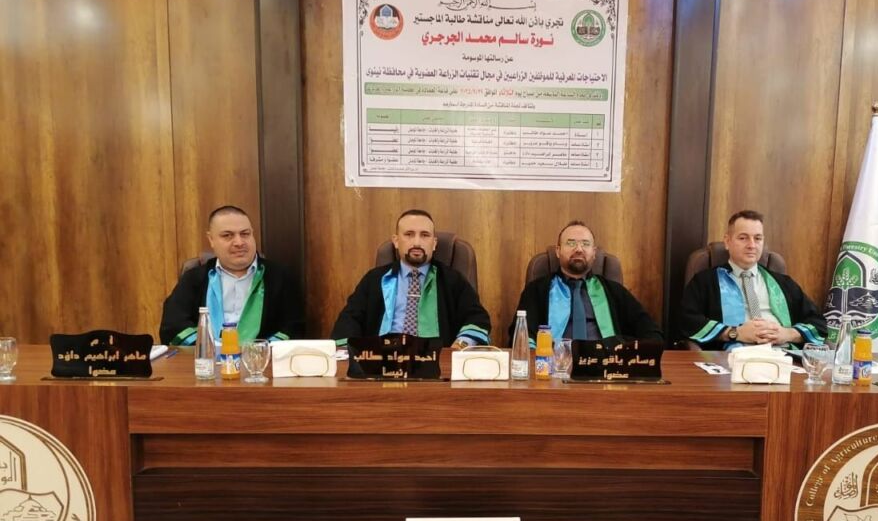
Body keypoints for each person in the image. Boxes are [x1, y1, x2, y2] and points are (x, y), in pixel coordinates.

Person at [331, 209, 490, 348]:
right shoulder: (374, 280)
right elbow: (349, 320)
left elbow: (476, 318)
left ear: (434, 243)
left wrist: (459, 346)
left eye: (425, 235)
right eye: (409, 234)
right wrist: (350, 351)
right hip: (382, 361)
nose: (417, 242)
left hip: (436, 363)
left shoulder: (452, 280)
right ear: (396, 241)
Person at [674, 209, 826, 349]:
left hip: (782, 356)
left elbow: (819, 323)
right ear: (727, 241)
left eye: (757, 238)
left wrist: (787, 334)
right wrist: (734, 333)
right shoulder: (705, 281)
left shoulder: (783, 283)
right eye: (743, 238)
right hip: (731, 359)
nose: (752, 245)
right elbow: (687, 321)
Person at [160, 205, 304, 345]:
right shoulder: (194, 279)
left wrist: (260, 351)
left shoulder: (280, 277)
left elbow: (293, 327)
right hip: (206, 358)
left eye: (245, 234)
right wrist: (208, 349)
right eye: (227, 235)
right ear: (211, 239)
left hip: (260, 358)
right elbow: (173, 325)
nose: (239, 242)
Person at [510, 220, 662, 345]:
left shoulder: (615, 291)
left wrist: (622, 349)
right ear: (558, 251)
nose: (579, 249)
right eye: (571, 243)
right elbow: (521, 336)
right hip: (554, 366)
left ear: (594, 252)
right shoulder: (537, 290)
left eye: (586, 244)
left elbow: (652, 333)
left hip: (605, 366)